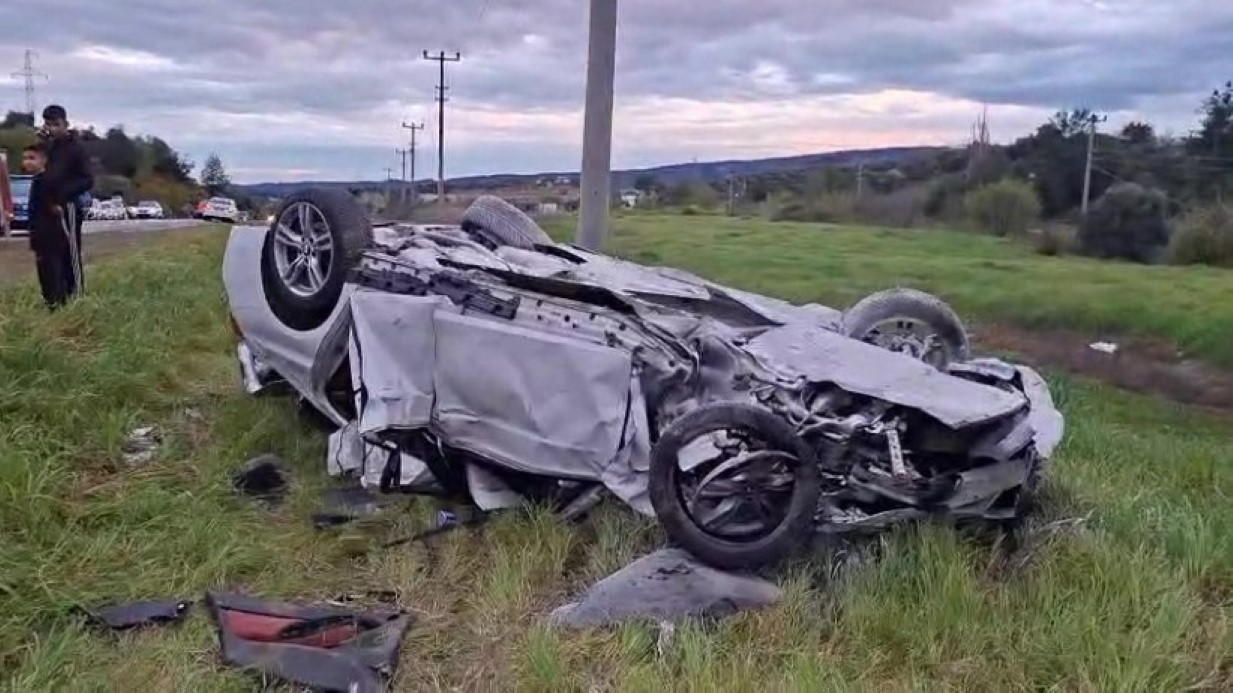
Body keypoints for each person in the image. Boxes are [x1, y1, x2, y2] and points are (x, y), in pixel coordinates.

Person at [38, 104, 93, 295]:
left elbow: (88, 179)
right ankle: (58, 293)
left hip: (68, 206)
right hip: (49, 206)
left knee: (71, 251)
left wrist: (64, 194)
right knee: (54, 252)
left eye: (56, 124)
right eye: (48, 124)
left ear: (65, 124)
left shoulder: (76, 149)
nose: (52, 128)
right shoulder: (50, 147)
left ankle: (77, 292)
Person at [21, 142, 78, 309]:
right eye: (25, 159)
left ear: (44, 160)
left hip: (50, 235)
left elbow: (57, 203)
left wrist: (57, 206)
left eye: (32, 158)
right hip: (40, 235)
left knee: (52, 272)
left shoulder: (48, 181)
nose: (27, 162)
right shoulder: (37, 181)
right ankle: (51, 301)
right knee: (45, 272)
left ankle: (56, 303)